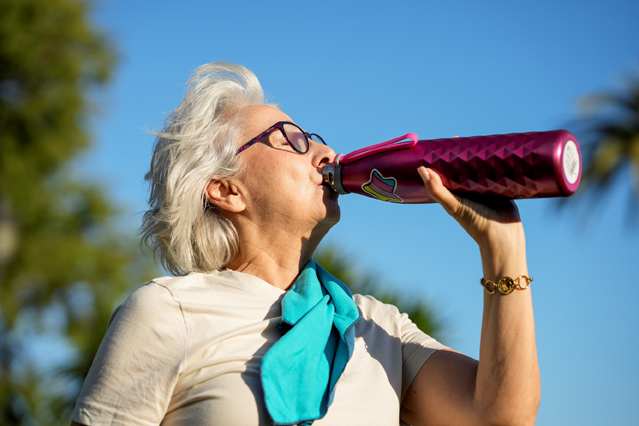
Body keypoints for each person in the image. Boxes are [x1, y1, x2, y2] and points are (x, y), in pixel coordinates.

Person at [71, 62, 540, 426]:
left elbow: (498, 415)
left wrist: (504, 248)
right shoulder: (166, 312)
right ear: (226, 189)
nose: (328, 154)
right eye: (291, 140)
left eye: (313, 137)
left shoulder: (376, 327)